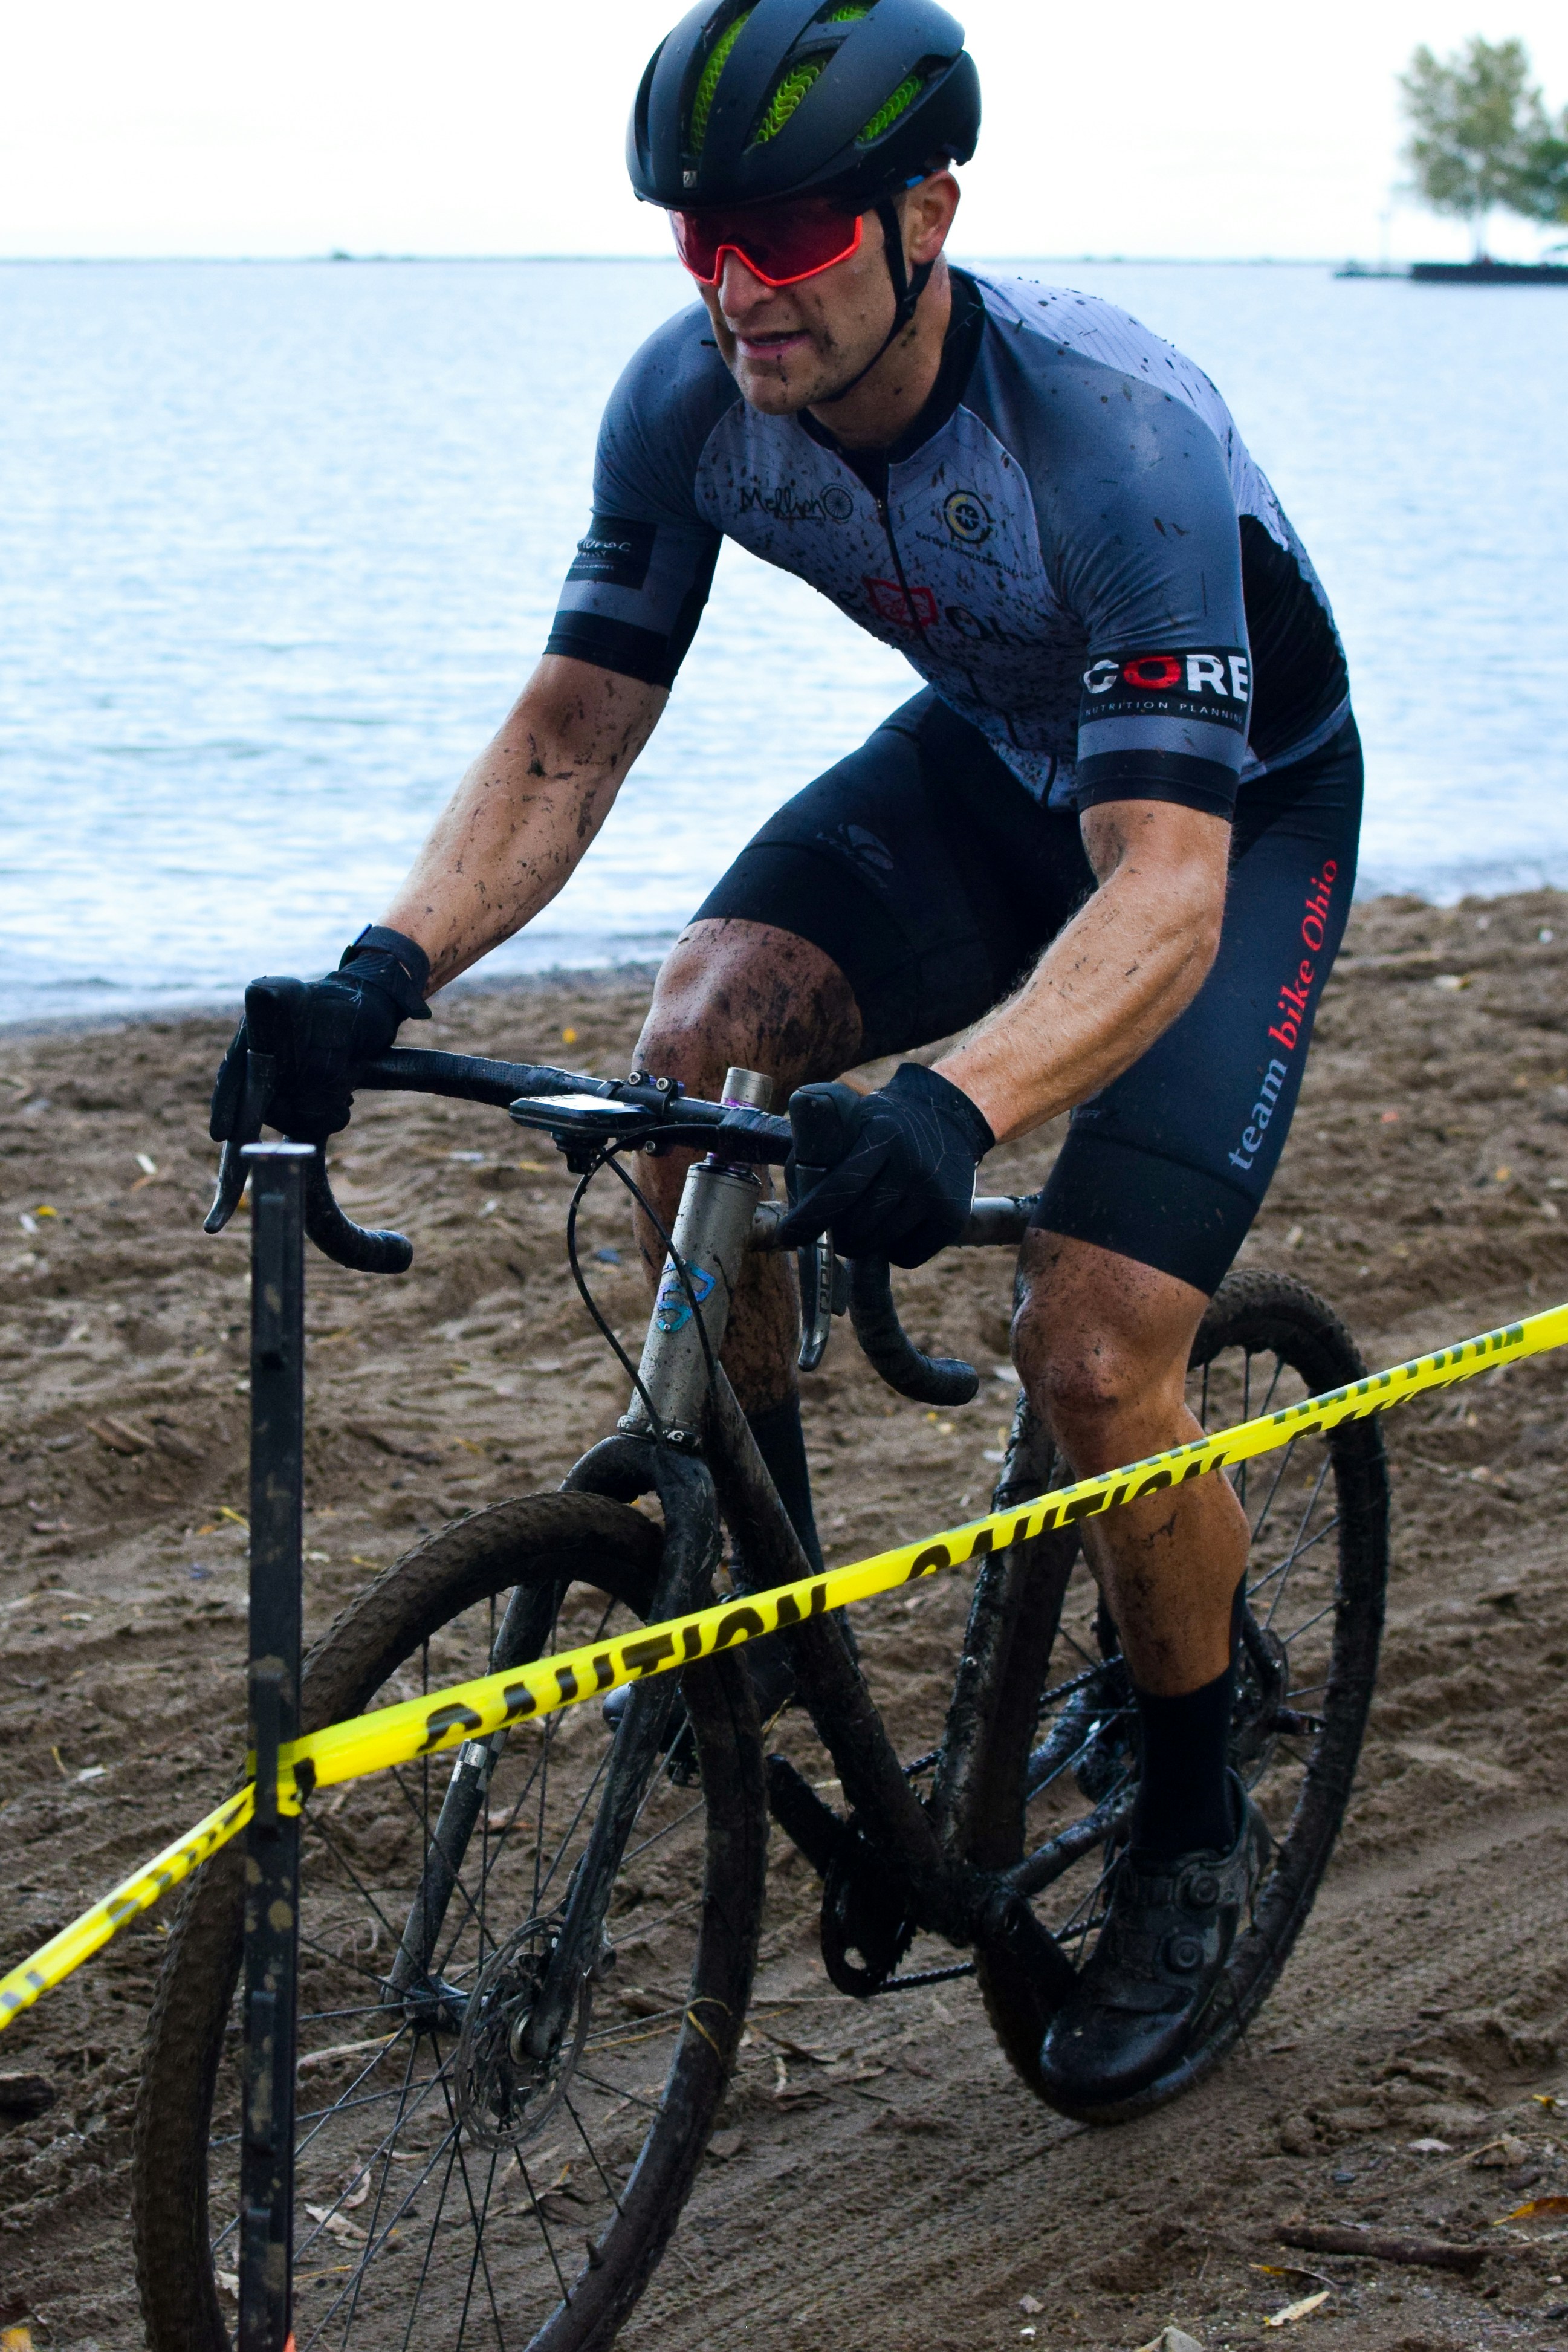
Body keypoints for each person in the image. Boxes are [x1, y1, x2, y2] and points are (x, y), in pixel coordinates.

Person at [213, 0, 1361, 2107]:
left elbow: (1164, 897)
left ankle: (1193, 1818)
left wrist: (953, 1100)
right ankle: (757, 1575)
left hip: (1224, 818)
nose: (735, 285)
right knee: (700, 1039)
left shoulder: (1111, 444)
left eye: (786, 235)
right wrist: (377, 973)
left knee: (1095, 1350)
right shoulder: (688, 407)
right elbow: (569, 737)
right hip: (989, 770)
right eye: (695, 238)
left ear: (925, 214)